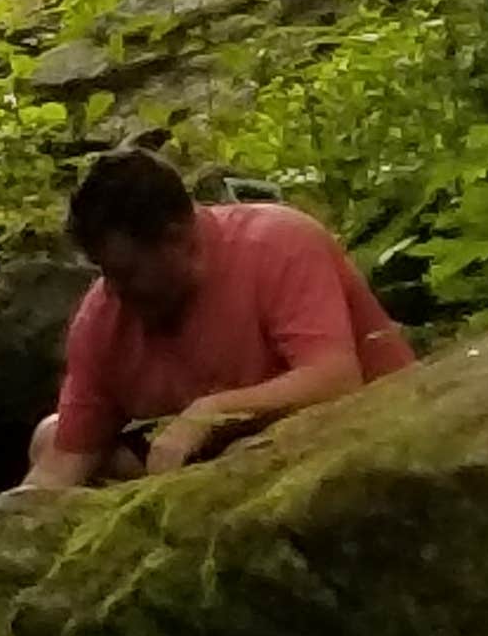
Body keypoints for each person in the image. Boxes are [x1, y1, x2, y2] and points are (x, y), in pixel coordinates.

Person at [28, 148, 414, 491]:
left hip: (370, 437)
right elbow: (65, 459)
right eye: (104, 273)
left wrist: (209, 414)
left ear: (176, 237)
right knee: (49, 436)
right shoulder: (103, 316)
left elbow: (335, 380)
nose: (114, 291)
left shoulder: (278, 244)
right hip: (227, 463)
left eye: (126, 272)